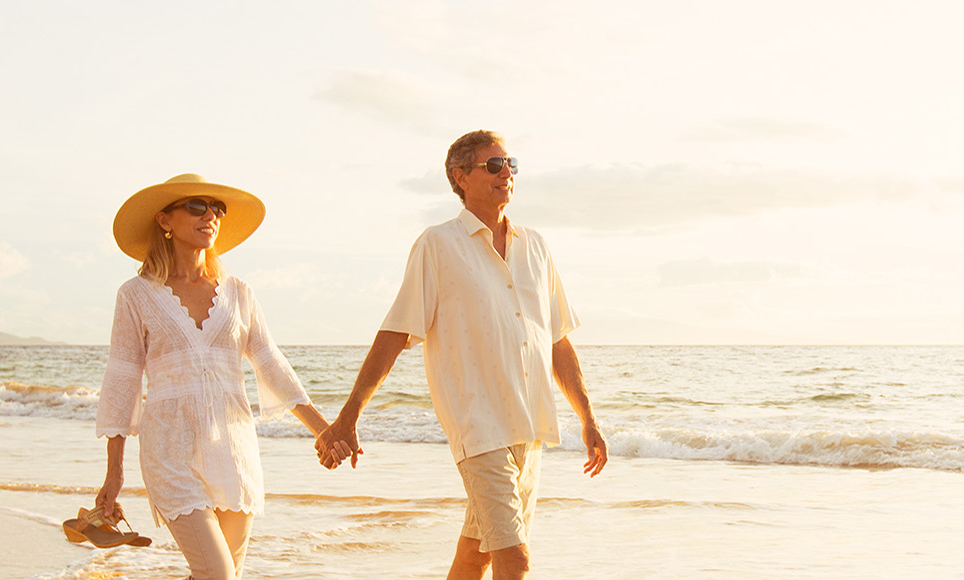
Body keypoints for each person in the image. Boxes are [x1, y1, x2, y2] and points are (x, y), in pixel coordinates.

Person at [315, 130, 608, 580]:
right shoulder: (438, 244)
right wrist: (349, 414)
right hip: (477, 426)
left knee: (477, 555)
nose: (506, 173)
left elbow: (557, 340)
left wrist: (587, 418)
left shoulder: (536, 246)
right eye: (493, 165)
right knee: (516, 558)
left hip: (529, 426)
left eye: (510, 164)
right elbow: (394, 333)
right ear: (460, 177)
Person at [95, 173, 341, 580]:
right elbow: (122, 381)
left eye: (217, 209)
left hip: (234, 449)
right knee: (217, 573)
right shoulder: (136, 295)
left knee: (226, 575)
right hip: (170, 449)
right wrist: (114, 473)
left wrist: (324, 430)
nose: (210, 215)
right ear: (165, 221)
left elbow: (270, 363)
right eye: (197, 206)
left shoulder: (239, 292)